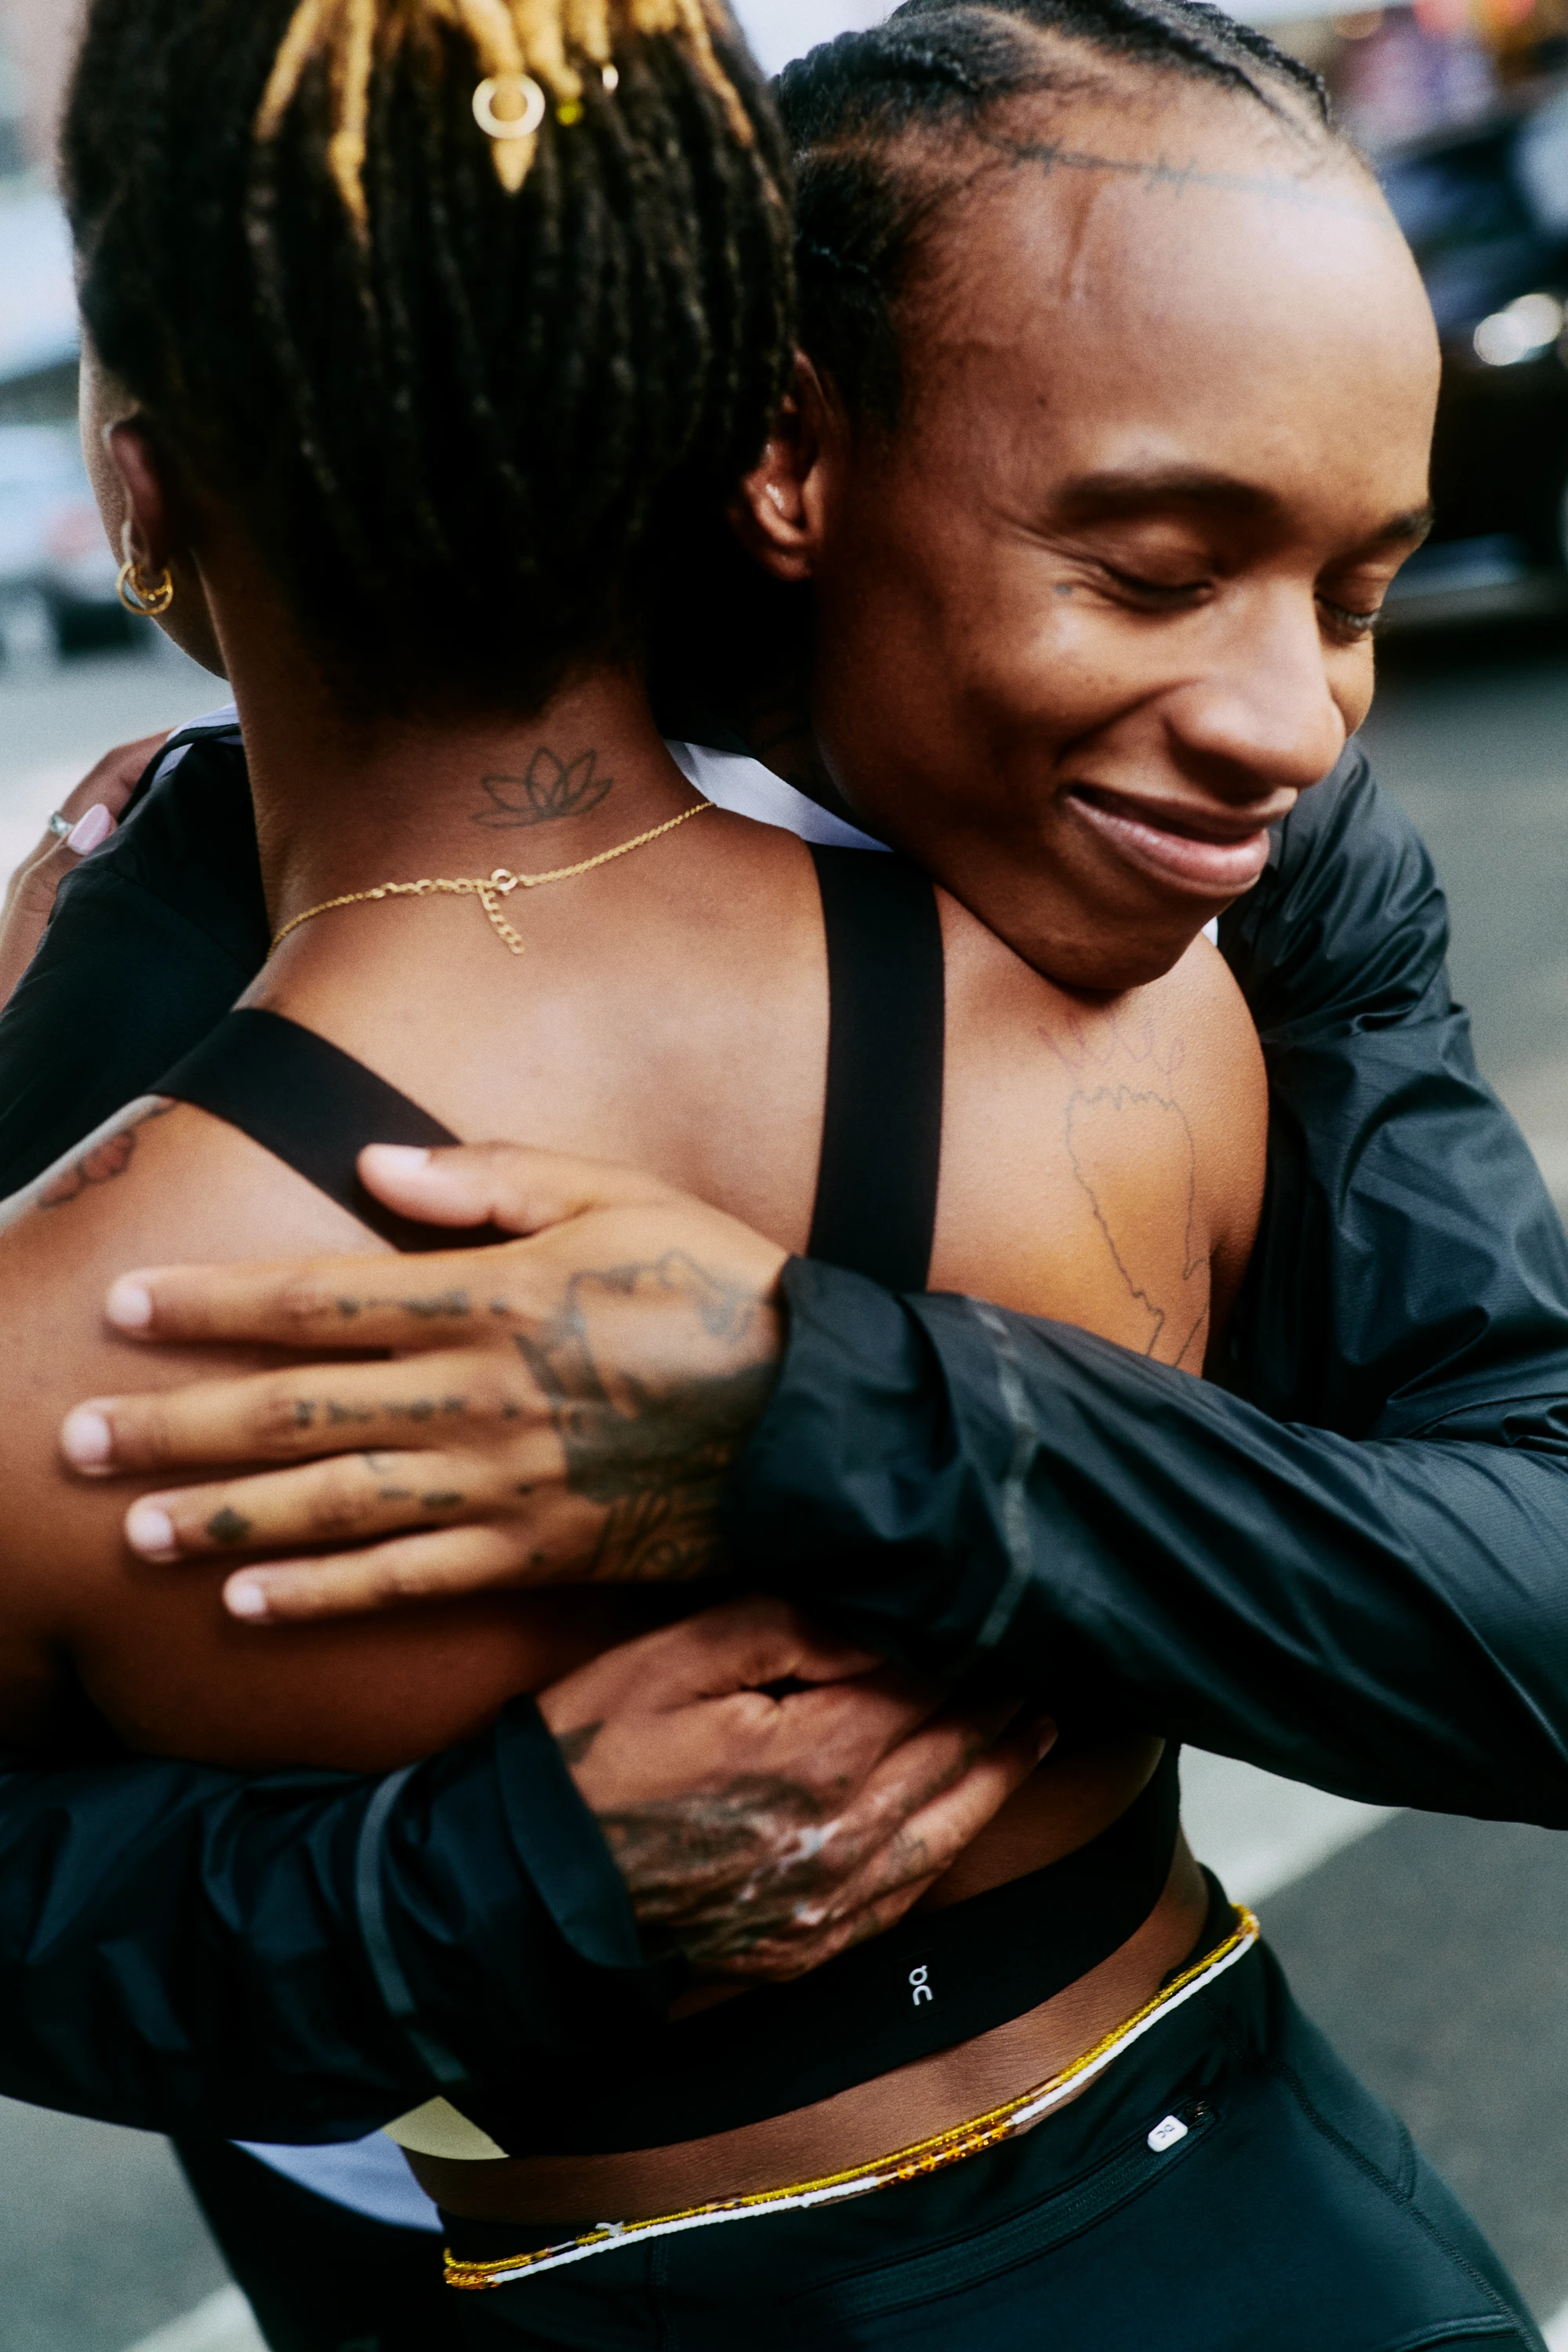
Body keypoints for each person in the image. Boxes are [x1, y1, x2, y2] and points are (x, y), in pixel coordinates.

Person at [0, 1, 1543, 2347]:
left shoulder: (1255, 909)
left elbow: (1540, 1567)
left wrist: (814, 1404)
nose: (1288, 730)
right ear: (774, 448)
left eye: (1353, 596)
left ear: (147, 487)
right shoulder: (153, 974)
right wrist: (490, 1882)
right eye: (1149, 567)